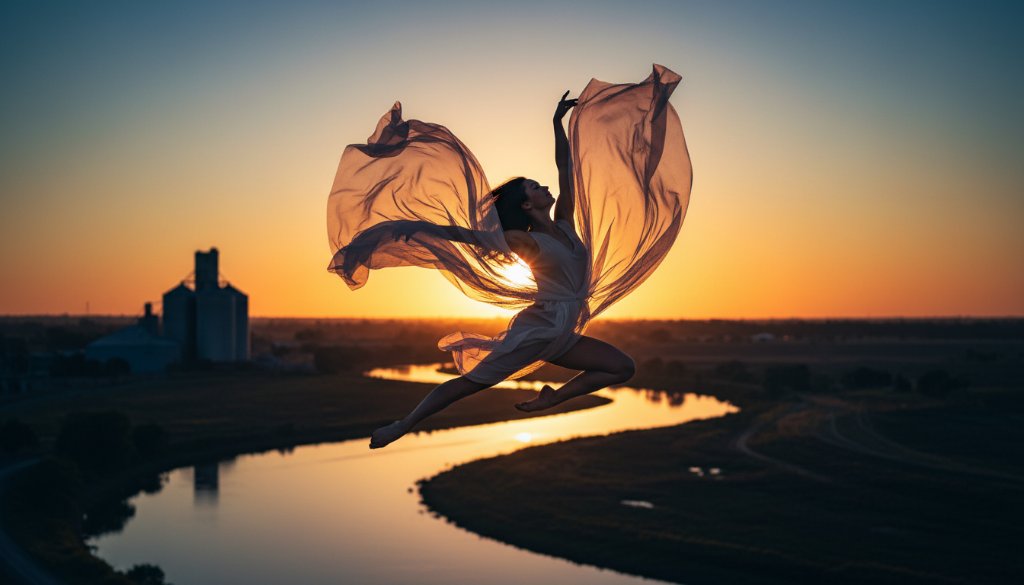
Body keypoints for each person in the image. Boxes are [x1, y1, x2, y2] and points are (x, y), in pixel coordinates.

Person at [326, 65, 691, 449]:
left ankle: (554, 398)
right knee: (469, 386)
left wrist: (557, 125)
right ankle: (403, 424)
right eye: (535, 186)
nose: (544, 186)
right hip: (540, 329)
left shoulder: (565, 226)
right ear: (526, 203)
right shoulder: (522, 240)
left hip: (563, 330)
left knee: (622, 367)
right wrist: (408, 229)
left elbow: (566, 169)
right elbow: (467, 237)